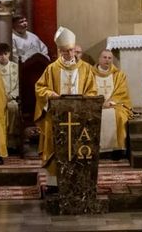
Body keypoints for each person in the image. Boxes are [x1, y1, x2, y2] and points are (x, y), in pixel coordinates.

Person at [34, 27, 98, 191]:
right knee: (56, 146)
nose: (69, 54)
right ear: (60, 51)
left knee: (79, 148)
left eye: (71, 50)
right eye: (65, 51)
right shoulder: (52, 69)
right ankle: (54, 183)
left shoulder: (85, 68)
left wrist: (85, 101)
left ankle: (78, 181)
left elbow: (92, 91)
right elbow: (40, 88)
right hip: (57, 115)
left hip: (79, 115)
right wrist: (50, 94)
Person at [94, 49, 133, 158]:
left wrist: (110, 102)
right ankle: (96, 149)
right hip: (95, 105)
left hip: (114, 104)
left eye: (110, 58)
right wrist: (100, 103)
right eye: (104, 57)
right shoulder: (89, 74)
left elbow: (122, 92)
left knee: (119, 116)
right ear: (99, 59)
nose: (107, 60)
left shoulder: (119, 75)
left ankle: (117, 150)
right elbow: (87, 90)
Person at [0, 43, 21, 152]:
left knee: (13, 108)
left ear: (9, 54)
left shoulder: (15, 67)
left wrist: (11, 95)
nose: (3, 57)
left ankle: (11, 140)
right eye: (0, 54)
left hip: (11, 98)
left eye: (6, 54)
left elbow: (19, 85)